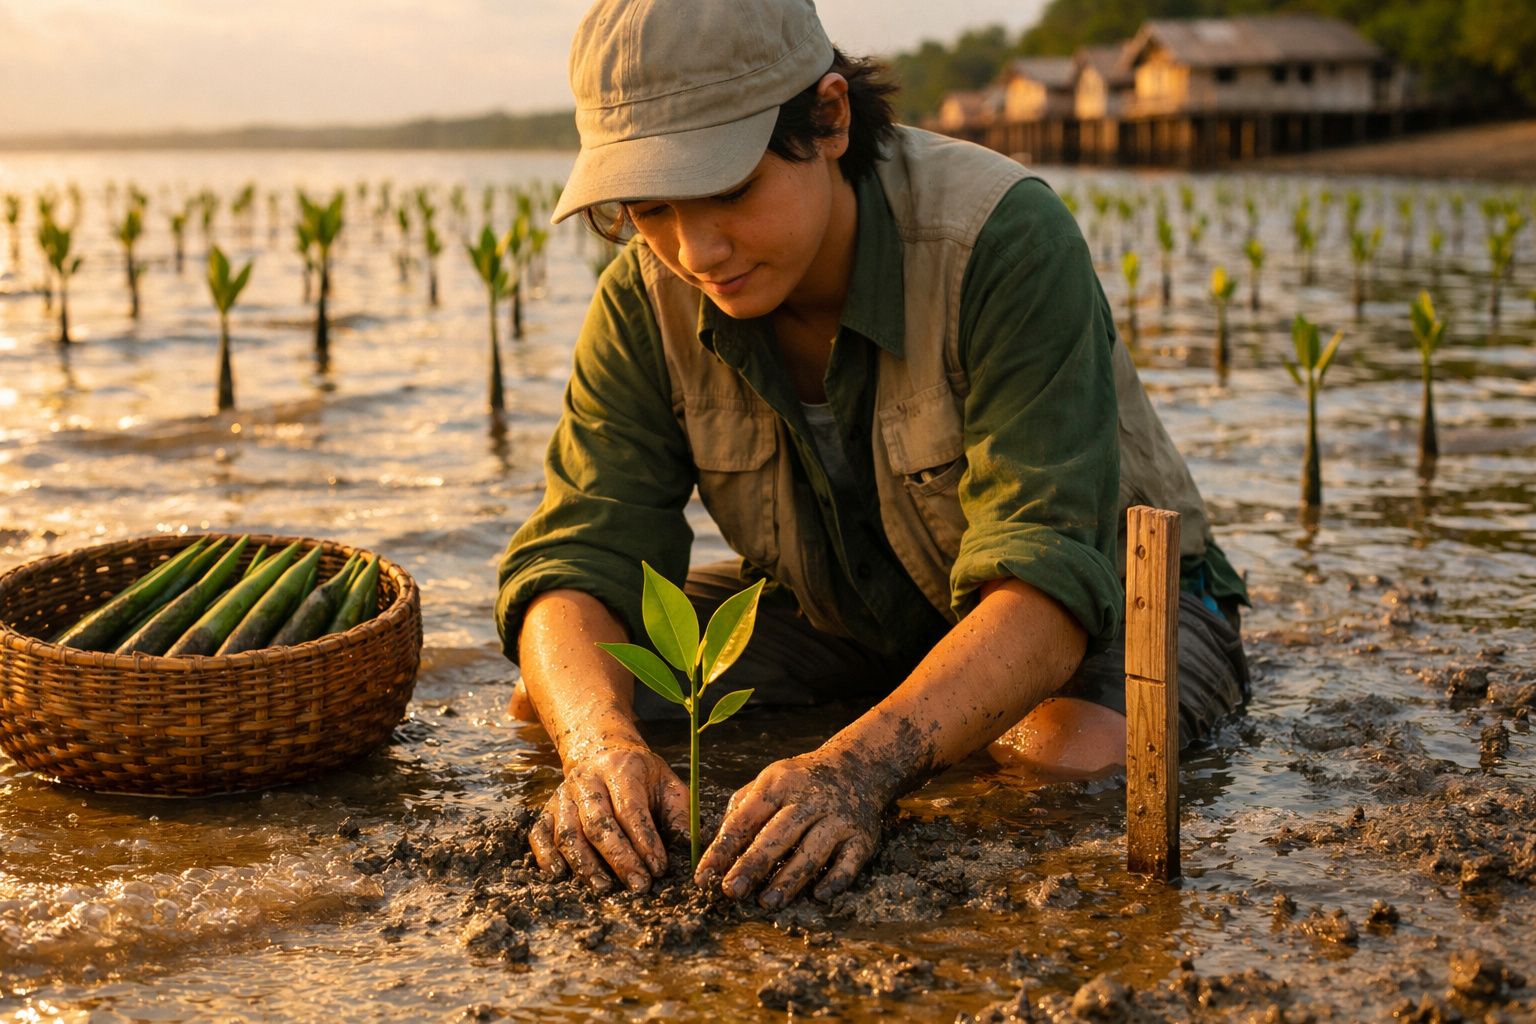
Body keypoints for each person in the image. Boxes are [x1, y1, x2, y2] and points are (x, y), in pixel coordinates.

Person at [496, 0, 1249, 907]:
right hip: (845, 607)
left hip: (1102, 603)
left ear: (830, 119)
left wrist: (855, 770)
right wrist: (601, 751)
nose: (698, 250)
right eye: (651, 208)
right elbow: (581, 552)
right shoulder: (644, 300)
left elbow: (1049, 581)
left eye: (729, 190)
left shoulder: (1000, 238)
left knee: (1061, 759)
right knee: (555, 701)